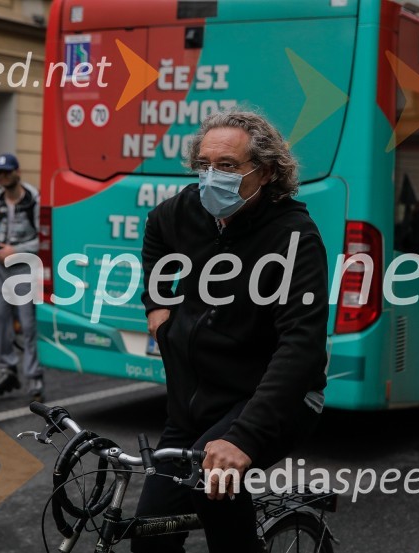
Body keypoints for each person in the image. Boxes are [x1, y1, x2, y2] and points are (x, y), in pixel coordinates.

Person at [135, 111, 328, 553]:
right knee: (149, 535)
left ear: (266, 171)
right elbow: (155, 231)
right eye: (203, 164)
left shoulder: (294, 236)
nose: (210, 177)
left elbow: (302, 346)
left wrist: (242, 437)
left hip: (270, 401)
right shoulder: (188, 209)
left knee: (214, 486)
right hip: (191, 408)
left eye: (226, 166)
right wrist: (158, 305)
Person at [0, 154, 44, 399]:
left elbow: (43, 238)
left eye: (7, 172)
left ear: (17, 172)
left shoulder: (34, 199)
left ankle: (34, 376)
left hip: (25, 267)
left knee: (28, 324)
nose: (2, 177)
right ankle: (6, 367)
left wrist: (16, 250)